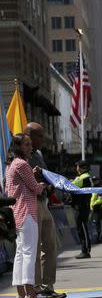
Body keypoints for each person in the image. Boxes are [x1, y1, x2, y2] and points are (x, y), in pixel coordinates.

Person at [24, 122, 66, 298]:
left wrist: (50, 186)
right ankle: (37, 287)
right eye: (39, 135)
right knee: (33, 248)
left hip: (43, 202)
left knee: (50, 245)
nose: (42, 138)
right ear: (29, 136)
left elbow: (47, 176)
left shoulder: (39, 154)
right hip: (30, 204)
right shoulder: (20, 156)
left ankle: (48, 286)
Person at [6, 134, 45, 298]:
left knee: (21, 253)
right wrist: (42, 183)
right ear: (18, 147)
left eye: (30, 144)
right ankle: (30, 291)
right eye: (26, 145)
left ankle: (21, 292)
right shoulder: (22, 164)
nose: (30, 148)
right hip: (27, 213)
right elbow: (35, 188)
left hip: (17, 213)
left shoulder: (12, 165)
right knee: (29, 252)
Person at [71, 161, 93, 259]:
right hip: (84, 206)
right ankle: (85, 250)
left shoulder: (82, 178)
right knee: (82, 228)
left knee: (82, 228)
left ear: (80, 168)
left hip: (81, 207)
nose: (76, 168)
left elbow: (69, 185)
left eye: (77, 166)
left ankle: (85, 251)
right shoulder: (87, 177)